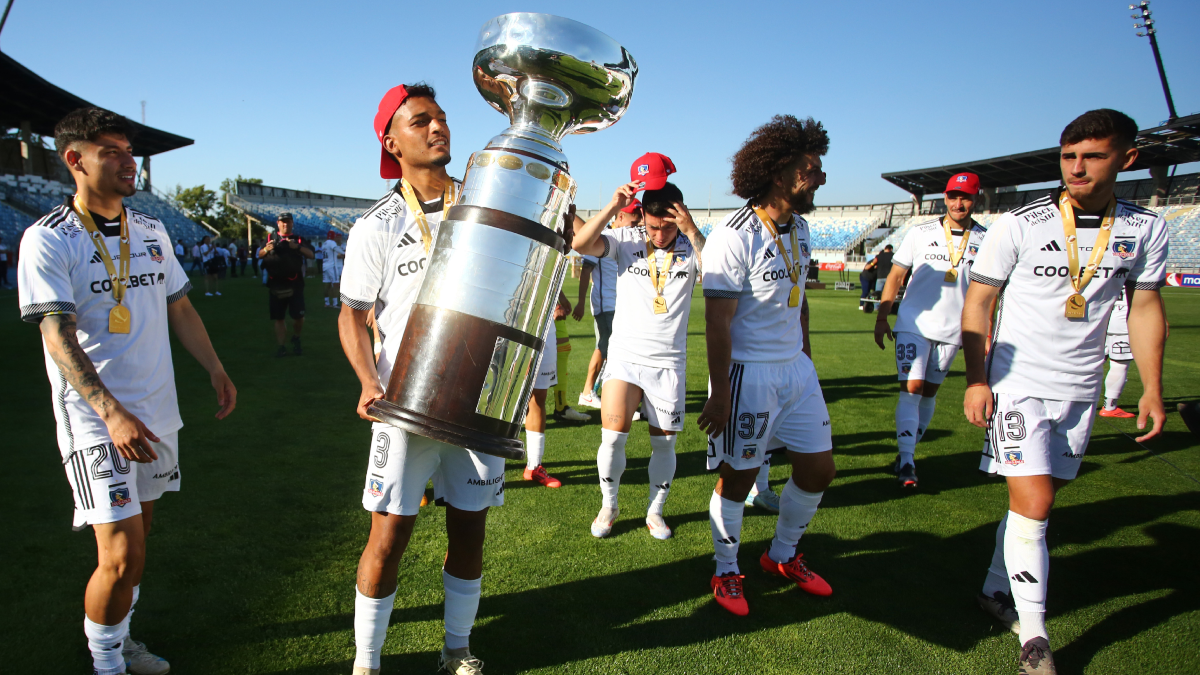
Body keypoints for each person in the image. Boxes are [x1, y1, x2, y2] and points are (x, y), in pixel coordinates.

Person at [18, 107, 237, 675]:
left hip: (157, 411)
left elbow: (180, 306)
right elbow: (57, 334)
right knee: (119, 553)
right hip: (96, 418)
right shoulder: (46, 240)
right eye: (111, 151)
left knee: (139, 539)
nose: (128, 161)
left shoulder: (152, 229)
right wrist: (110, 412)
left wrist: (214, 367)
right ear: (75, 160)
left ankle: (121, 640)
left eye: (129, 150)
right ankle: (106, 664)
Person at [963, 109, 1168, 674]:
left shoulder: (1145, 228)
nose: (1076, 168)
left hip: (1080, 387)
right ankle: (1034, 639)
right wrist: (977, 378)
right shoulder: (1019, 224)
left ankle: (994, 591)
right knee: (1037, 503)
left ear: (1126, 159)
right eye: (1068, 156)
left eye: (1093, 156)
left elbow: (1146, 305)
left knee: (1032, 504)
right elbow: (979, 303)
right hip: (1016, 382)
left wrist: (1150, 388)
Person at [337, 82, 494, 675]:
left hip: (480, 400)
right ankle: (367, 661)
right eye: (422, 121)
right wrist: (367, 383)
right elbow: (352, 317)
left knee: (470, 532)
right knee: (390, 535)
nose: (438, 129)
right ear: (391, 141)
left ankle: (456, 649)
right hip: (406, 403)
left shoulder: (487, 205)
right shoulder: (376, 226)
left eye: (443, 119)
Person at [697, 115, 835, 616]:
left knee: (819, 470)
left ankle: (781, 556)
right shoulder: (734, 236)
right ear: (779, 173)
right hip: (749, 374)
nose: (819, 178)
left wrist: (808, 357)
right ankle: (727, 570)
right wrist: (720, 392)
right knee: (740, 475)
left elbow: (801, 304)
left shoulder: (799, 228)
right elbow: (718, 324)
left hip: (796, 370)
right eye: (810, 169)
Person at [573, 176, 704, 540]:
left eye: (667, 227)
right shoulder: (626, 240)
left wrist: (691, 231)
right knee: (612, 438)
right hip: (626, 358)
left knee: (664, 444)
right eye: (652, 226)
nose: (659, 234)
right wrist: (614, 207)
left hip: (669, 364)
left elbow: (723, 277)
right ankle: (609, 505)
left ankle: (655, 510)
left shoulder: (693, 247)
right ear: (642, 215)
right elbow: (580, 242)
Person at [874, 172, 989, 488]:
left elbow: (991, 291)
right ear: (945, 197)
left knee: (928, 393)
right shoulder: (920, 232)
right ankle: (908, 462)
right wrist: (883, 317)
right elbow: (896, 277)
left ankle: (905, 454)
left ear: (976, 198)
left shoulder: (986, 239)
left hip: (956, 329)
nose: (958, 203)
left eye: (965, 197)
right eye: (953, 196)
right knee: (911, 388)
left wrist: (988, 331)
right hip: (914, 324)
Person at [576, 200, 642, 408]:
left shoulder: (629, 241)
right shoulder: (603, 239)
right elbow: (585, 270)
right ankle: (588, 392)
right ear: (620, 217)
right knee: (604, 347)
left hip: (621, 305)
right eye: (633, 221)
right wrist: (580, 303)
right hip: (606, 304)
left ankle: (609, 393)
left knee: (617, 351)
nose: (637, 225)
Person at [523, 292, 573, 489]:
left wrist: (559, 298)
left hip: (545, 323)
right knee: (502, 394)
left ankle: (534, 466)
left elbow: (553, 261)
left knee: (538, 396)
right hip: (510, 316)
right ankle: (487, 466)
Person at [259, 213, 314, 357]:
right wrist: (266, 249)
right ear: (277, 223)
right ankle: (281, 346)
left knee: (299, 317)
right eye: (283, 222)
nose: (285, 225)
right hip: (275, 283)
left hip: (295, 284)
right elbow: (259, 254)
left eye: (288, 222)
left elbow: (311, 254)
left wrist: (296, 247)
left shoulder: (298, 238)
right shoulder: (270, 238)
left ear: (292, 223)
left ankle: (296, 337)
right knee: (279, 317)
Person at [1098, 285, 1135, 418]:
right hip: (1122, 320)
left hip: (1098, 318)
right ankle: (1110, 407)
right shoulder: (1135, 267)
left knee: (1090, 362)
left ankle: (1071, 400)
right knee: (1119, 364)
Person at [322, 230, 346, 309]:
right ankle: (335, 304)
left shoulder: (324, 244)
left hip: (325, 265)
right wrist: (345, 253)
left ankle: (326, 302)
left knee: (327, 285)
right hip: (332, 266)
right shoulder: (332, 243)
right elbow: (338, 250)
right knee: (335, 284)